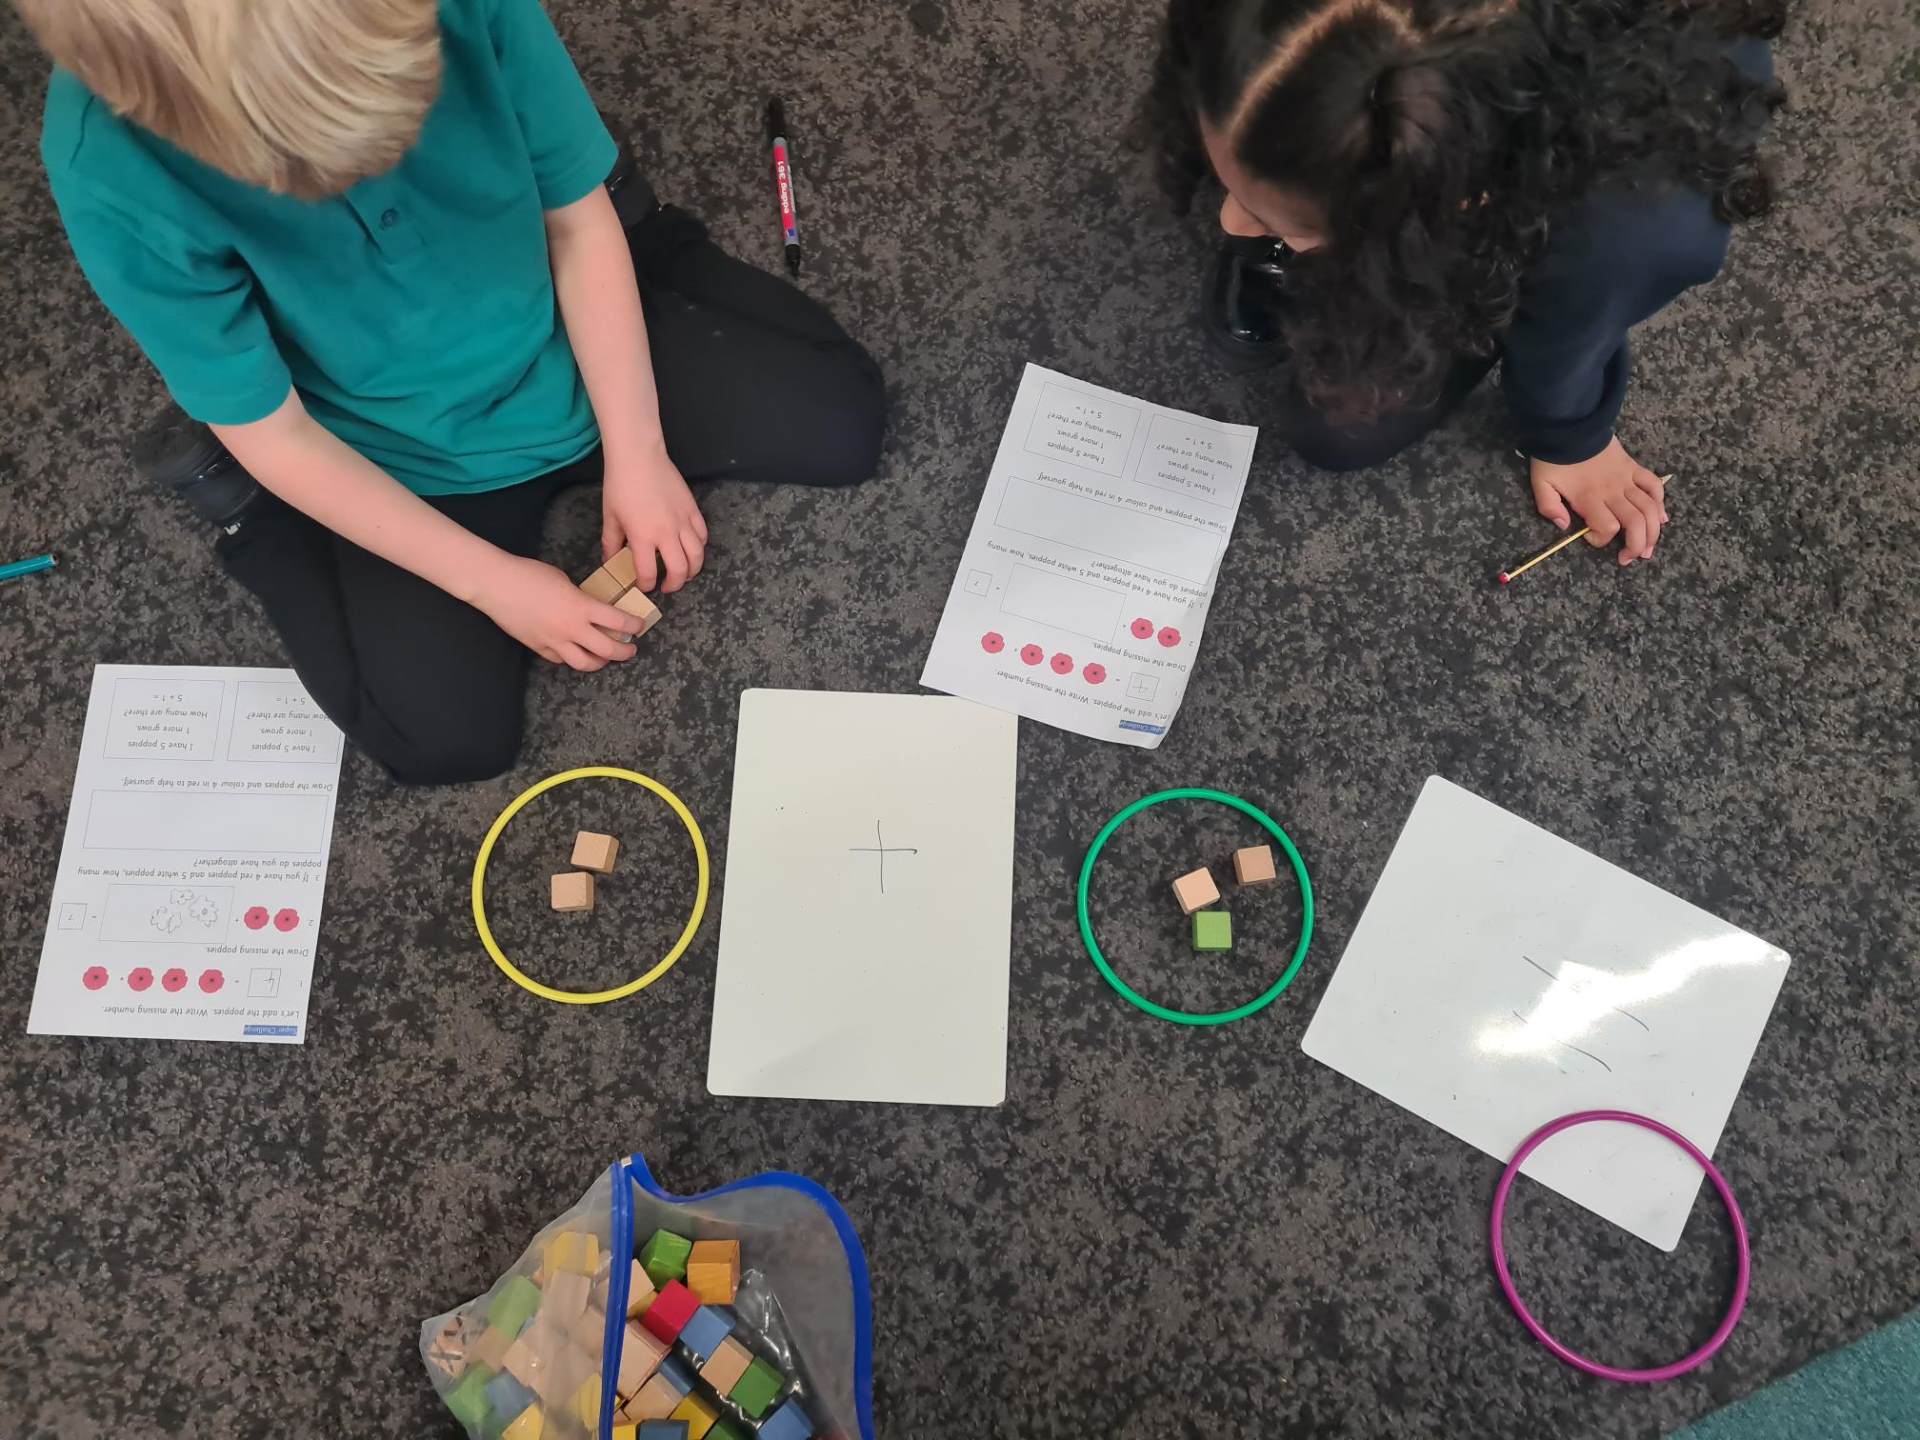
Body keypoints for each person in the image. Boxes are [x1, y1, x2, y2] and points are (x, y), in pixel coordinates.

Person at [21, 0, 886, 783]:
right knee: (442, 741)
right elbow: (276, 433)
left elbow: (573, 225)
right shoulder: (108, 165)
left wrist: (639, 449)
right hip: (384, 449)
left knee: (845, 422)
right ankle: (256, 515)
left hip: (552, 324)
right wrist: (490, 584)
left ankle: (642, 225)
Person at [1148, 0, 1784, 566]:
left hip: (1540, 217)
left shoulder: (1633, 230)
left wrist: (1570, 436)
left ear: (1449, 208)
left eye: (1268, 220)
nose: (1229, 225)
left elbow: (1573, 326)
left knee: (1338, 432)